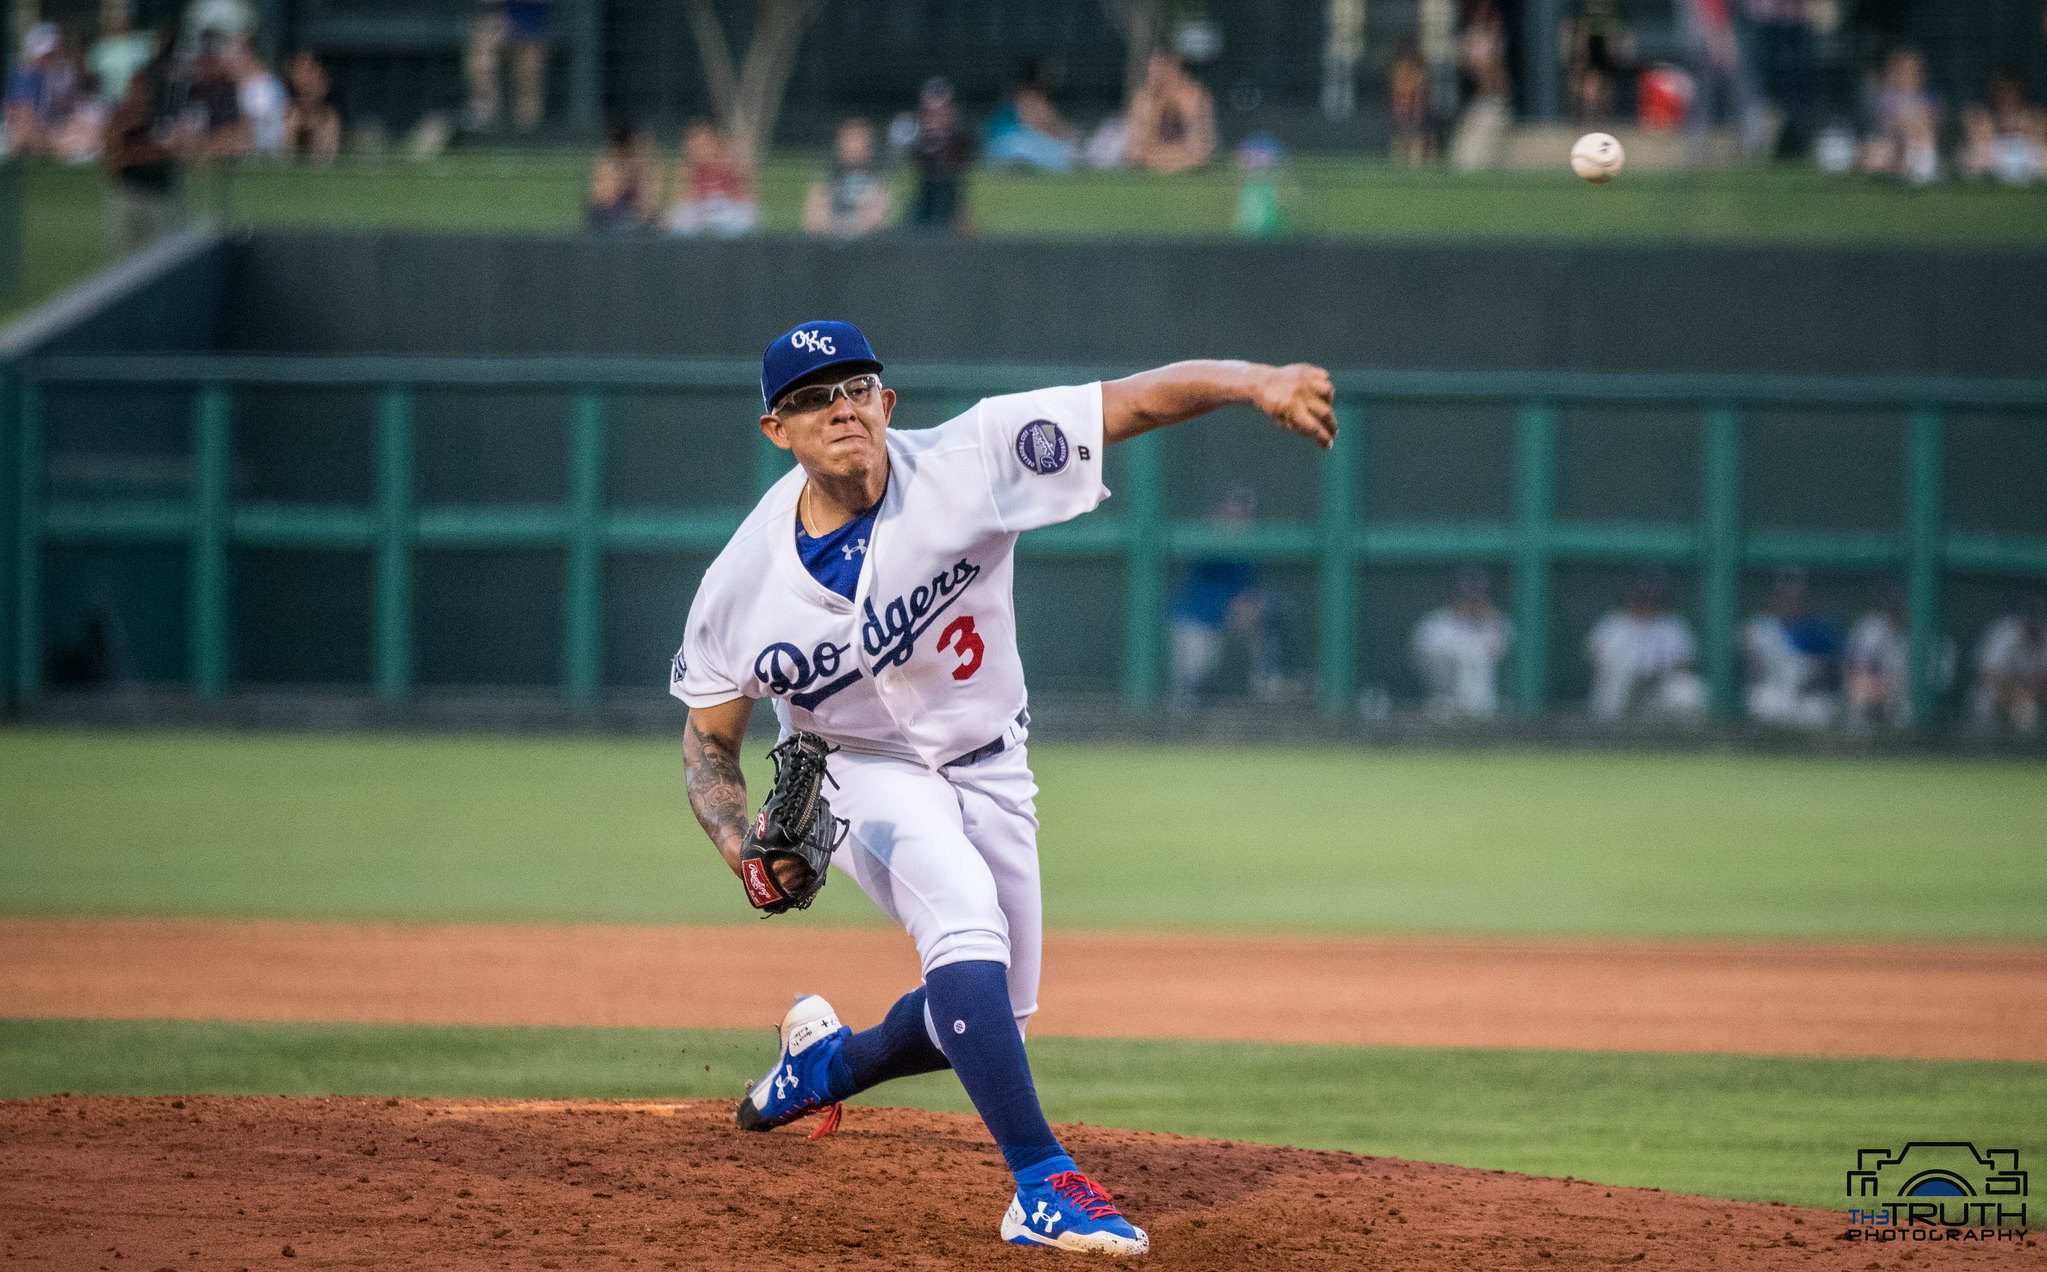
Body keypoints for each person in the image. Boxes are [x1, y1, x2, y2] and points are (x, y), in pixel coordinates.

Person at [672, 323, 1334, 1255]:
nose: (841, 409)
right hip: (855, 770)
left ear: (886, 403)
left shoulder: (971, 458)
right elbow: (709, 742)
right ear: (777, 429)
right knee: (965, 932)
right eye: (814, 399)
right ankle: (1041, 1183)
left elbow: (1131, 399)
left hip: (991, 763)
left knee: (981, 1018)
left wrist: (1254, 376)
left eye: (856, 388)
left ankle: (823, 1064)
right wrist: (743, 847)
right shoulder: (739, 585)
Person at [1167, 486, 1293, 719]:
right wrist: (1230, 608)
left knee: (1272, 610)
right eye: (1231, 512)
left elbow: (1252, 592)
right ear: (1218, 513)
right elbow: (1199, 599)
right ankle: (1183, 726)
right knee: (1193, 680)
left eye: (1243, 512)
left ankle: (1272, 686)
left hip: (1233, 621)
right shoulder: (1203, 540)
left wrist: (1251, 605)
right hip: (1198, 620)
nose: (1237, 517)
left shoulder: (1252, 547)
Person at [100, 31, 183, 254]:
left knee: (161, 261)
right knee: (125, 264)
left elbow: (178, 149)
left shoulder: (164, 112)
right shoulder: (122, 118)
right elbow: (113, 161)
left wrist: (138, 154)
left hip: (160, 193)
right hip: (129, 193)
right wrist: (150, 153)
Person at [1586, 571, 1706, 723]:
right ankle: (1608, 737)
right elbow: (1600, 669)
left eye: (1651, 595)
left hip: (1658, 690)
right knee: (1617, 678)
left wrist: (1652, 679)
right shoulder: (1611, 625)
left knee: (1687, 691)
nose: (1646, 600)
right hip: (1621, 693)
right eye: (1641, 595)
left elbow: (1682, 668)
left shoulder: (1674, 627)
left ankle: (1681, 743)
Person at [1743, 568, 1841, 729]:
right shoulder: (1761, 627)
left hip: (1806, 694)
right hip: (1773, 691)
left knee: (1819, 709)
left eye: (1796, 598)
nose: (1790, 602)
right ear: (1775, 598)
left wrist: (1815, 670)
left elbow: (1828, 670)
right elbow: (1754, 668)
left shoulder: (1815, 630)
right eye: (1785, 597)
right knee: (1760, 701)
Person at [1412, 568, 1511, 721]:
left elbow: (1501, 653)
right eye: (1468, 597)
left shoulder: (1498, 623)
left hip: (1489, 707)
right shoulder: (1435, 625)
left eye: (1478, 597)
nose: (1473, 603)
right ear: (1456, 597)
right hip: (1442, 704)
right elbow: (1426, 667)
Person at [464, 0, 552, 133]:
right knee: (483, 49)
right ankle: (484, 112)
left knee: (528, 63)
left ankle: (528, 126)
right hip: (501, 15)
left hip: (536, 19)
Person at [1123, 51, 1214, 173]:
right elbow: (1135, 145)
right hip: (1154, 159)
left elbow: (1199, 145)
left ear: (1172, 68)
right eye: (1151, 68)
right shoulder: (1144, 98)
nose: (1152, 73)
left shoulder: (1192, 96)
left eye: (1158, 67)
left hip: (1182, 159)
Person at [1861, 48, 1940, 184]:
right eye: (1904, 70)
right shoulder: (1885, 97)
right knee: (1875, 152)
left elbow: (1934, 124)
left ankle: (1920, 172)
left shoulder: (1930, 98)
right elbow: (1885, 124)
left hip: (1917, 146)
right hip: (1892, 145)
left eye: (1913, 70)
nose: (1909, 75)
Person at [984, 56, 1078, 172]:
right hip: (1010, 143)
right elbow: (1036, 124)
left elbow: (1054, 124)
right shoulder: (1025, 95)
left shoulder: (1038, 97)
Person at [802, 117, 891, 238]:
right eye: (848, 140)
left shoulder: (879, 190)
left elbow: (872, 224)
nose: (852, 147)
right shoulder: (823, 188)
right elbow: (813, 225)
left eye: (858, 140)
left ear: (869, 146)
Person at [665, 120, 757, 237]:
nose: (697, 151)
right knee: (680, 221)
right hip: (701, 211)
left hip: (728, 211)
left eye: (702, 146)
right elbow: (684, 202)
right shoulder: (690, 169)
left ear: (713, 144)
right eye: (693, 147)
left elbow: (746, 200)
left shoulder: (730, 163)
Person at [5, 23, 82, 158]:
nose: (50, 58)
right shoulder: (26, 76)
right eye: (46, 54)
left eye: (53, 52)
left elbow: (71, 109)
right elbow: (24, 121)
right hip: (36, 132)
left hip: (53, 128)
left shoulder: (64, 72)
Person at [1973, 596, 2047, 734]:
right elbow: (1988, 675)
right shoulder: (2004, 634)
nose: (2033, 624)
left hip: (2031, 695)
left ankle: (2025, 751)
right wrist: (2016, 692)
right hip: (1997, 692)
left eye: (2038, 620)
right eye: (2030, 619)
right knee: (1983, 703)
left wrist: (2029, 693)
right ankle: (1978, 748)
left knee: (2025, 710)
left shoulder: (2044, 638)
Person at [908, 77, 973, 232]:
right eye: (929, 113)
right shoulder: (912, 148)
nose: (934, 121)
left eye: (941, 113)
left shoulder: (963, 146)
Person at [1960, 70, 2046, 185]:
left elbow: (2039, 132)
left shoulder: (2034, 113)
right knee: (1974, 155)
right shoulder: (1984, 113)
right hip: (1995, 156)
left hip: (2026, 156)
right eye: (2002, 89)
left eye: (2011, 89)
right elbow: (1971, 121)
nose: (2007, 95)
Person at [584, 118, 653, 234]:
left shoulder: (641, 164)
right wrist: (623, 177)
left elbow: (647, 201)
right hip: (608, 215)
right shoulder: (607, 163)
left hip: (631, 216)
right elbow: (603, 199)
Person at [283, 50, 340, 162]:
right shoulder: (287, 114)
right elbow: (286, 160)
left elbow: (325, 162)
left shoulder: (330, 117)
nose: (303, 79)